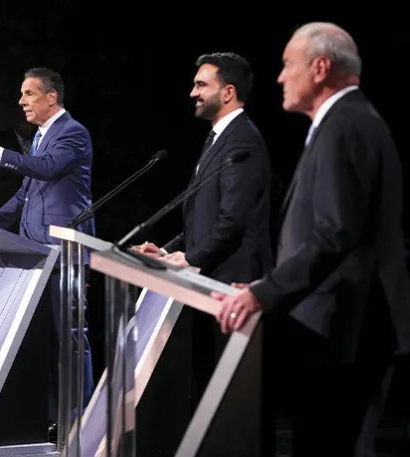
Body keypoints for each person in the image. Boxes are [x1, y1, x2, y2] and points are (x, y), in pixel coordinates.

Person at [211, 23, 410, 456]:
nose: (280, 77)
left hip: (348, 334)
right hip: (336, 330)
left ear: (321, 67)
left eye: (288, 65)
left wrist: (262, 294)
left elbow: (334, 233)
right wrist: (264, 288)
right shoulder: (342, 122)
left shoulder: (347, 124)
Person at [0, 67, 95, 440]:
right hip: (35, 256)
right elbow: (24, 196)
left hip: (64, 255)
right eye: (22, 94)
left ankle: (81, 418)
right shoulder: (39, 138)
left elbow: (48, 170)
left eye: (29, 94)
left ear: (51, 98)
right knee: (43, 342)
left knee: (70, 337)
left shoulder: (73, 134)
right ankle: (54, 418)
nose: (21, 102)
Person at [135, 52, 272, 408]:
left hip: (232, 287)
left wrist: (190, 258)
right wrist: (165, 252)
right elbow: (203, 219)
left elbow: (232, 221)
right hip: (211, 285)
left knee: (232, 405)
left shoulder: (241, 140)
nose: (192, 92)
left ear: (227, 92)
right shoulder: (217, 139)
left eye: (201, 85)